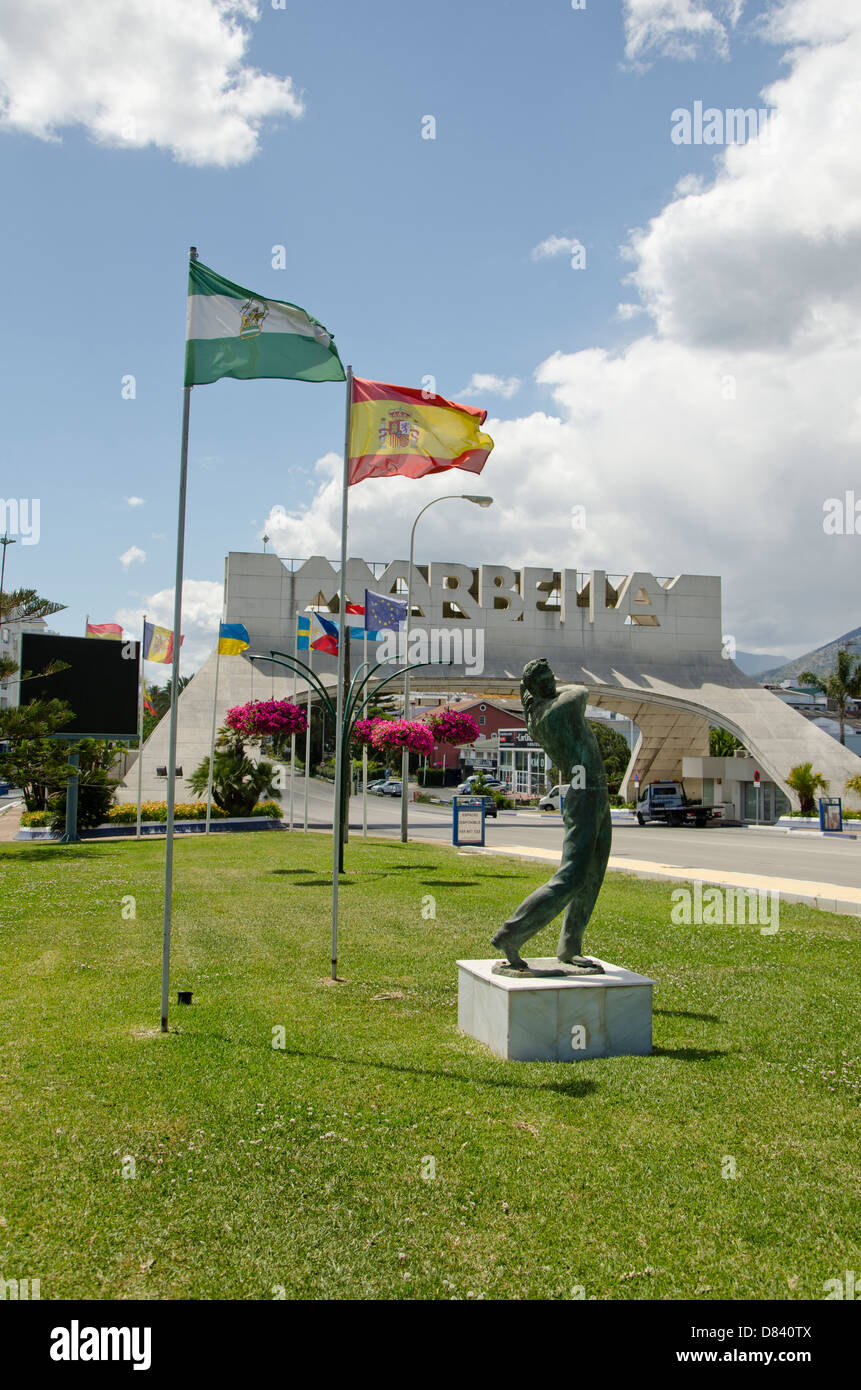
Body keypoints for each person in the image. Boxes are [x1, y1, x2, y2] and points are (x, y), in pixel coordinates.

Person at [491, 658, 612, 972]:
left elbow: (572, 691)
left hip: (596, 791)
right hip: (583, 792)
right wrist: (540, 691)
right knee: (572, 877)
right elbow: (581, 691)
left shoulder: (546, 707)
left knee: (594, 874)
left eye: (552, 677)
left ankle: (570, 946)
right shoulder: (551, 713)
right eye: (544, 681)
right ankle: (512, 933)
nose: (552, 684)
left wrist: (534, 688)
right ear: (532, 689)